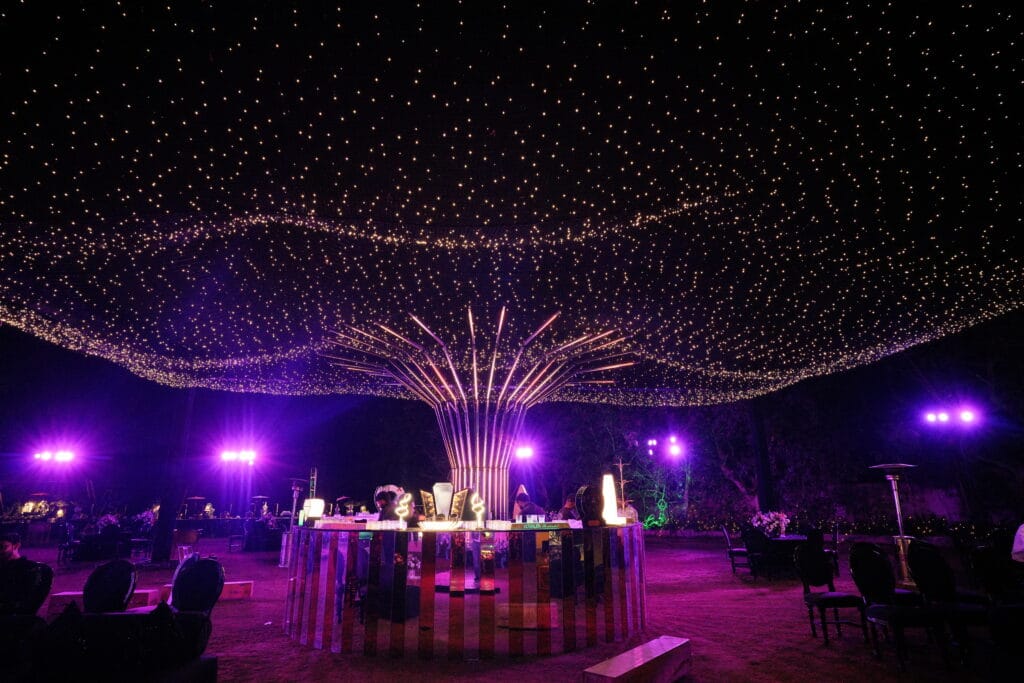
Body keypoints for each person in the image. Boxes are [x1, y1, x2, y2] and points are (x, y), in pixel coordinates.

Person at [0, 532, 51, 616]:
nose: (0, 551)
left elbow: (25, 601)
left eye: (3, 547)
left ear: (16, 546)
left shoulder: (28, 569)